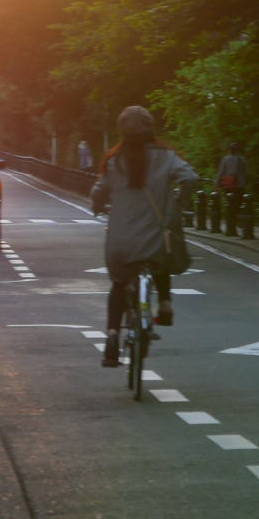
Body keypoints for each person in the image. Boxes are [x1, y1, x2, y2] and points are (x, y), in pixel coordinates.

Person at [91, 106, 199, 367]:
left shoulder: (114, 160)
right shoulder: (166, 157)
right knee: (160, 257)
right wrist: (179, 202)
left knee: (119, 284)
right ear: (151, 128)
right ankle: (164, 304)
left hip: (121, 241)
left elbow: (98, 190)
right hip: (154, 237)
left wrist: (97, 206)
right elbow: (191, 178)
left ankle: (112, 336)